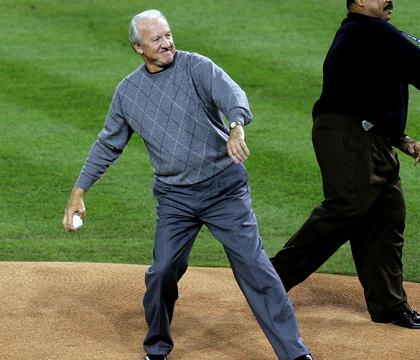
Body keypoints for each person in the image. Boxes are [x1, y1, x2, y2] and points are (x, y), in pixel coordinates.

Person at [62, 9, 314, 360]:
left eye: (167, 35)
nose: (166, 43)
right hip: (175, 199)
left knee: (257, 270)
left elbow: (233, 95)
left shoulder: (196, 66)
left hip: (224, 191)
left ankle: (294, 353)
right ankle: (157, 347)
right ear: (138, 48)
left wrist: (237, 124)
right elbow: (108, 143)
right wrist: (79, 191)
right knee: (162, 272)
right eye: (156, 39)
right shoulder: (128, 93)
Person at [270, 0, 420, 330]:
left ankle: (389, 304)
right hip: (346, 134)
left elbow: (371, 92)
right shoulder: (366, 31)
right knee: (346, 209)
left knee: (386, 216)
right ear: (360, 1)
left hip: (370, 137)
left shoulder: (368, 37)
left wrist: (399, 138)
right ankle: (271, 279)